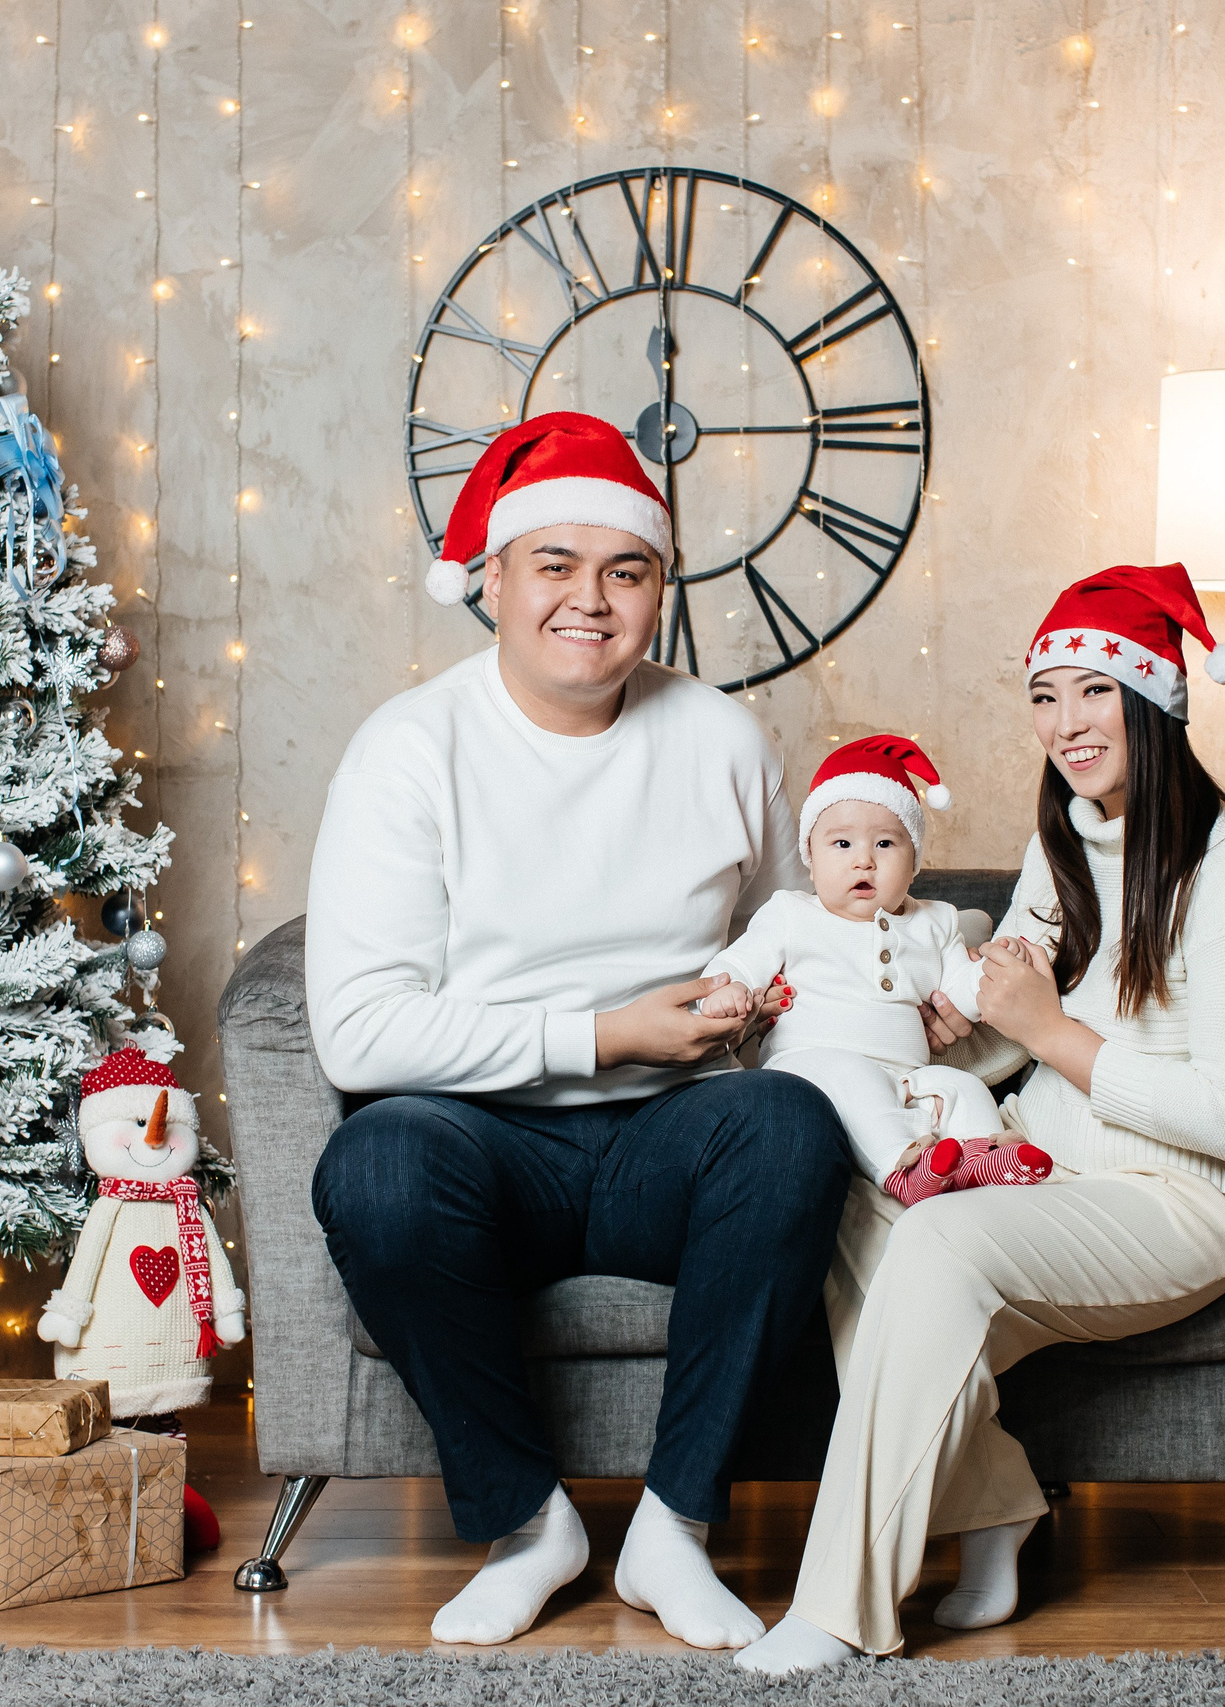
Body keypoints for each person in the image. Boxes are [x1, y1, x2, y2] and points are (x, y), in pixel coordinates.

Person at [304, 410, 850, 1652]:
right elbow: (360, 1035)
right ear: (493, 581)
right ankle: (527, 1524)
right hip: (481, 1143)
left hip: (677, 1135)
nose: (589, 601)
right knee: (376, 1164)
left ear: (661, 588)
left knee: (790, 1123)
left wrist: (811, 1005)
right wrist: (603, 1035)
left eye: (626, 570)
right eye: (555, 565)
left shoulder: (720, 737)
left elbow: (788, 943)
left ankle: (673, 1528)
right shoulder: (409, 750)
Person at [737, 562, 1225, 1673]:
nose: (1065, 722)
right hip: (1048, 1165)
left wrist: (1047, 1031)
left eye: (1094, 692)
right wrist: (916, 1021)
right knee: (852, 1209)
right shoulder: (1064, 842)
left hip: (1184, 1200)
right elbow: (1011, 1018)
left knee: (941, 1240)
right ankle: (996, 1508)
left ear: (1154, 698)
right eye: (1045, 695)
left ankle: (836, 1610)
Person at [698, 733, 1051, 1206]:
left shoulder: (937, 922)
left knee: (962, 1086)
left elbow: (960, 994)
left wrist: (994, 969)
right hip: (811, 1063)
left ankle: (982, 1159)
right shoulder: (791, 913)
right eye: (842, 843)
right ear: (811, 861)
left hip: (907, 1073)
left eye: (885, 843)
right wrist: (731, 989)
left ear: (915, 862)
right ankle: (902, 1169)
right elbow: (740, 961)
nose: (863, 859)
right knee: (853, 1077)